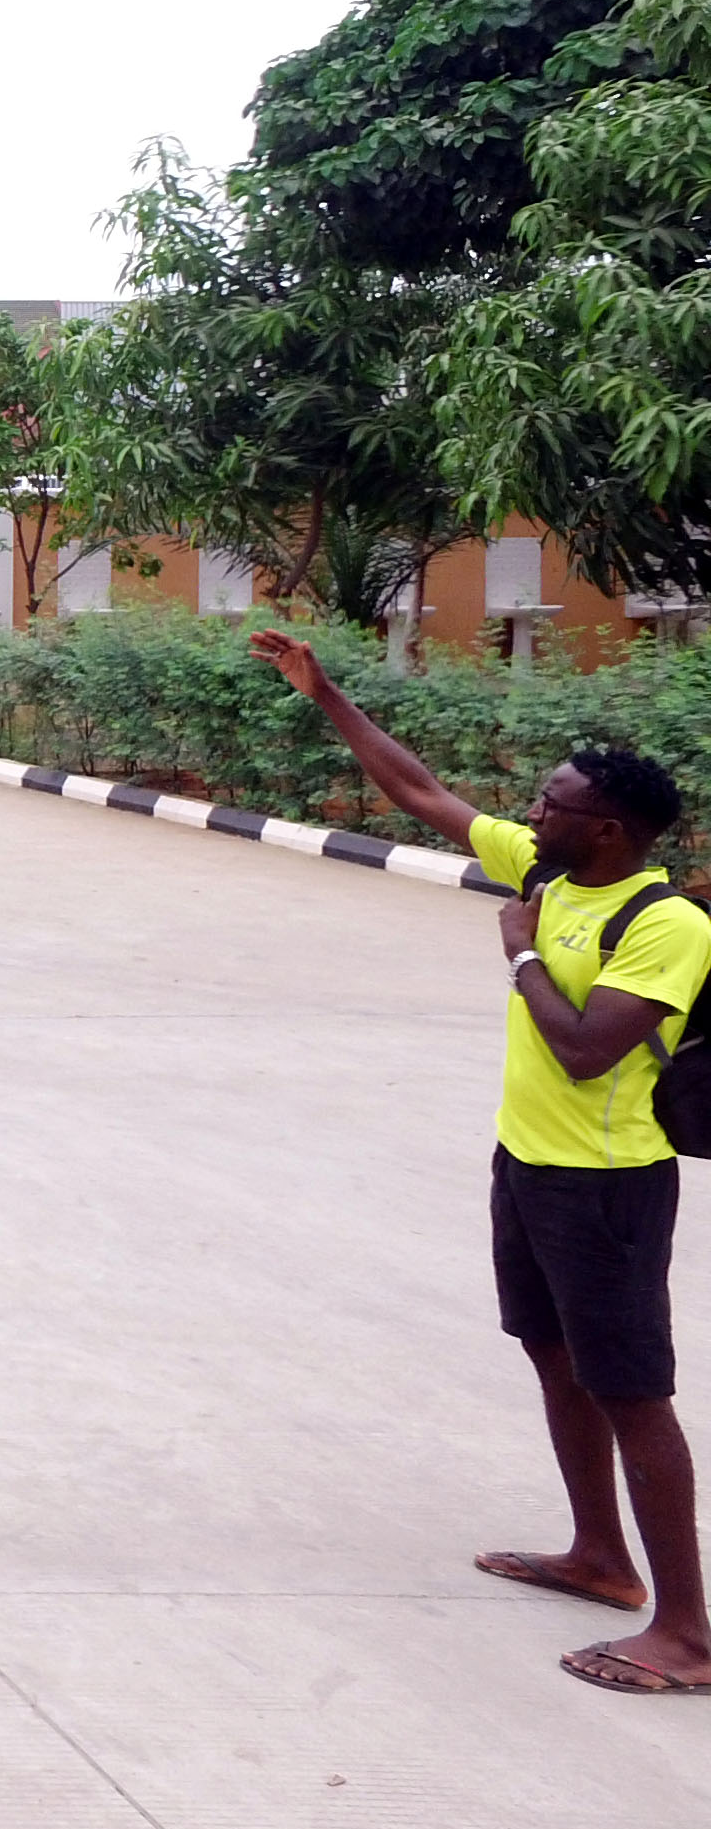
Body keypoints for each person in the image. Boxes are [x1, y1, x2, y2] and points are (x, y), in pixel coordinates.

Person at [252, 627, 711, 1691]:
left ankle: (689, 1633)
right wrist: (326, 695)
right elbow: (419, 792)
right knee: (554, 1358)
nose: (531, 813)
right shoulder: (550, 872)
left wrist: (520, 953)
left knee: (632, 1393)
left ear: (606, 829)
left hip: (608, 1187)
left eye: (551, 803)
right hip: (528, 1167)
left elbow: (588, 1048)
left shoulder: (665, 923)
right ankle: (600, 1558)